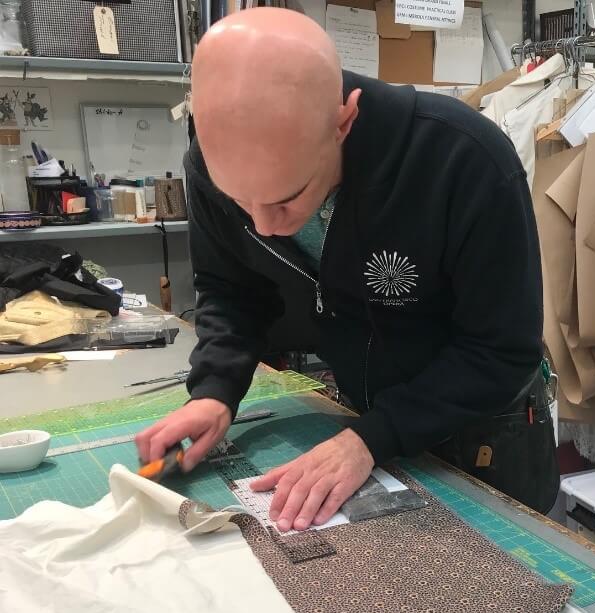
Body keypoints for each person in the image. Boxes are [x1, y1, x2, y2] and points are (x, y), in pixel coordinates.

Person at [135, 7, 557, 531]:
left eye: (286, 200)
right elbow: (232, 290)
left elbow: (501, 349)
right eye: (241, 203)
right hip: (371, 418)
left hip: (487, 430)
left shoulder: (463, 160)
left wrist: (371, 438)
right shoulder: (212, 161)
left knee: (510, 584)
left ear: (344, 122)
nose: (264, 227)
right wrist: (216, 392)